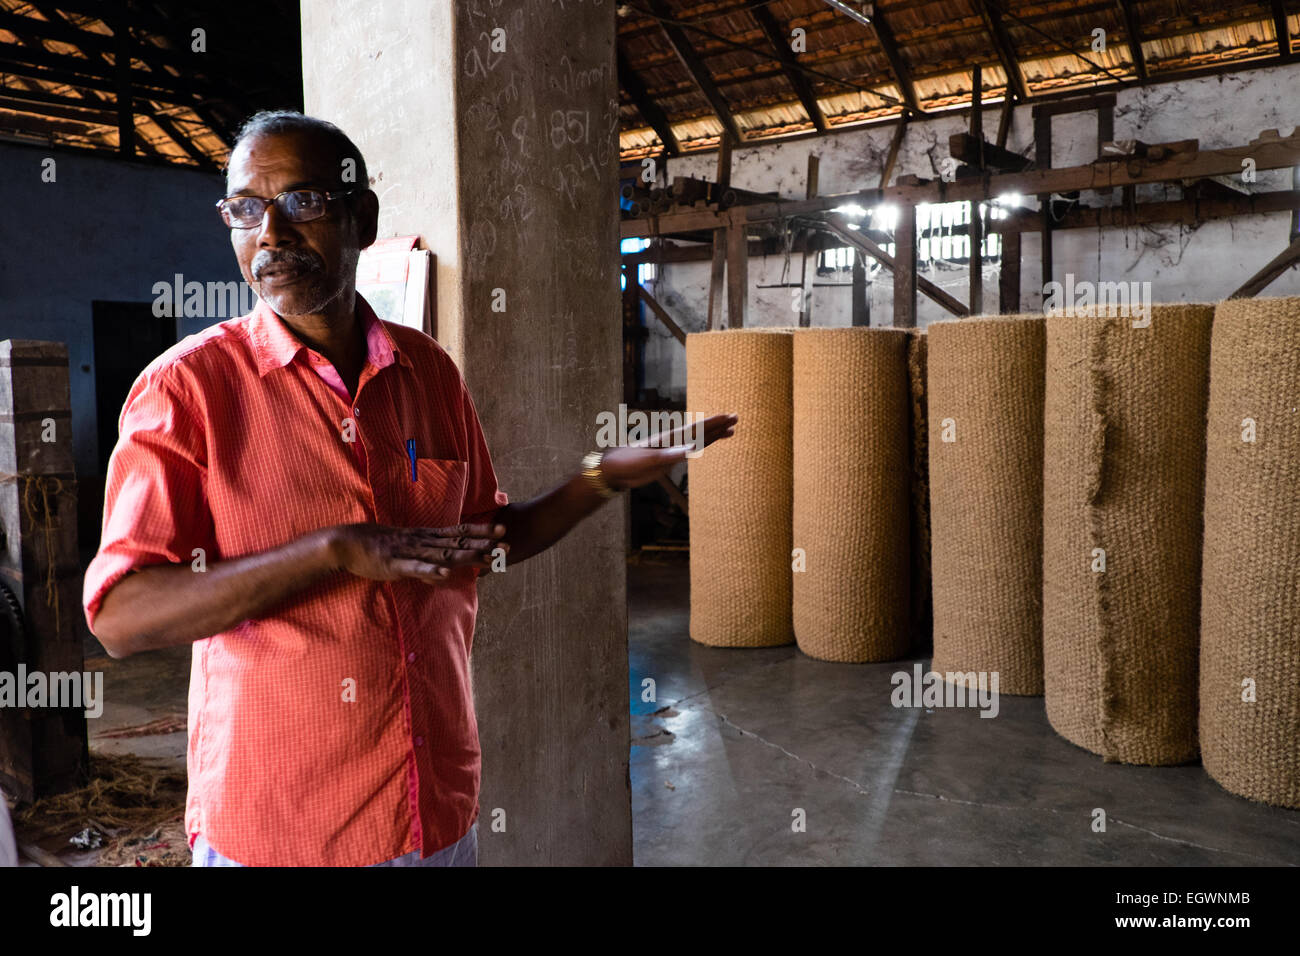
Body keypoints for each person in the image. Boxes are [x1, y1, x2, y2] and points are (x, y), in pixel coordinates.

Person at [82, 110, 736, 867]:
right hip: (284, 830)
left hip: (432, 809)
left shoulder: (427, 371)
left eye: (303, 203)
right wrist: (331, 551)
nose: (272, 234)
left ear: (362, 217)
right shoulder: (187, 389)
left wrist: (599, 479)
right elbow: (120, 617)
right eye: (246, 210)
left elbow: (484, 541)